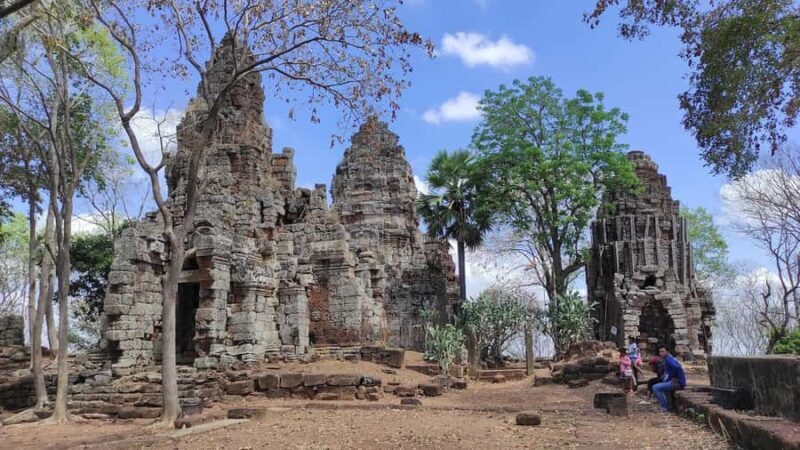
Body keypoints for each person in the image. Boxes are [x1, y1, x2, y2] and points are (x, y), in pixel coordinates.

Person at [652, 344, 687, 412]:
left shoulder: (669, 360)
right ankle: (668, 406)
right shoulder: (669, 358)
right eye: (660, 352)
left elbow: (677, 367)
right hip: (675, 381)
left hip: (677, 382)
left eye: (662, 351)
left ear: (667, 352)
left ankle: (665, 407)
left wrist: (675, 378)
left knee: (655, 387)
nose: (661, 353)